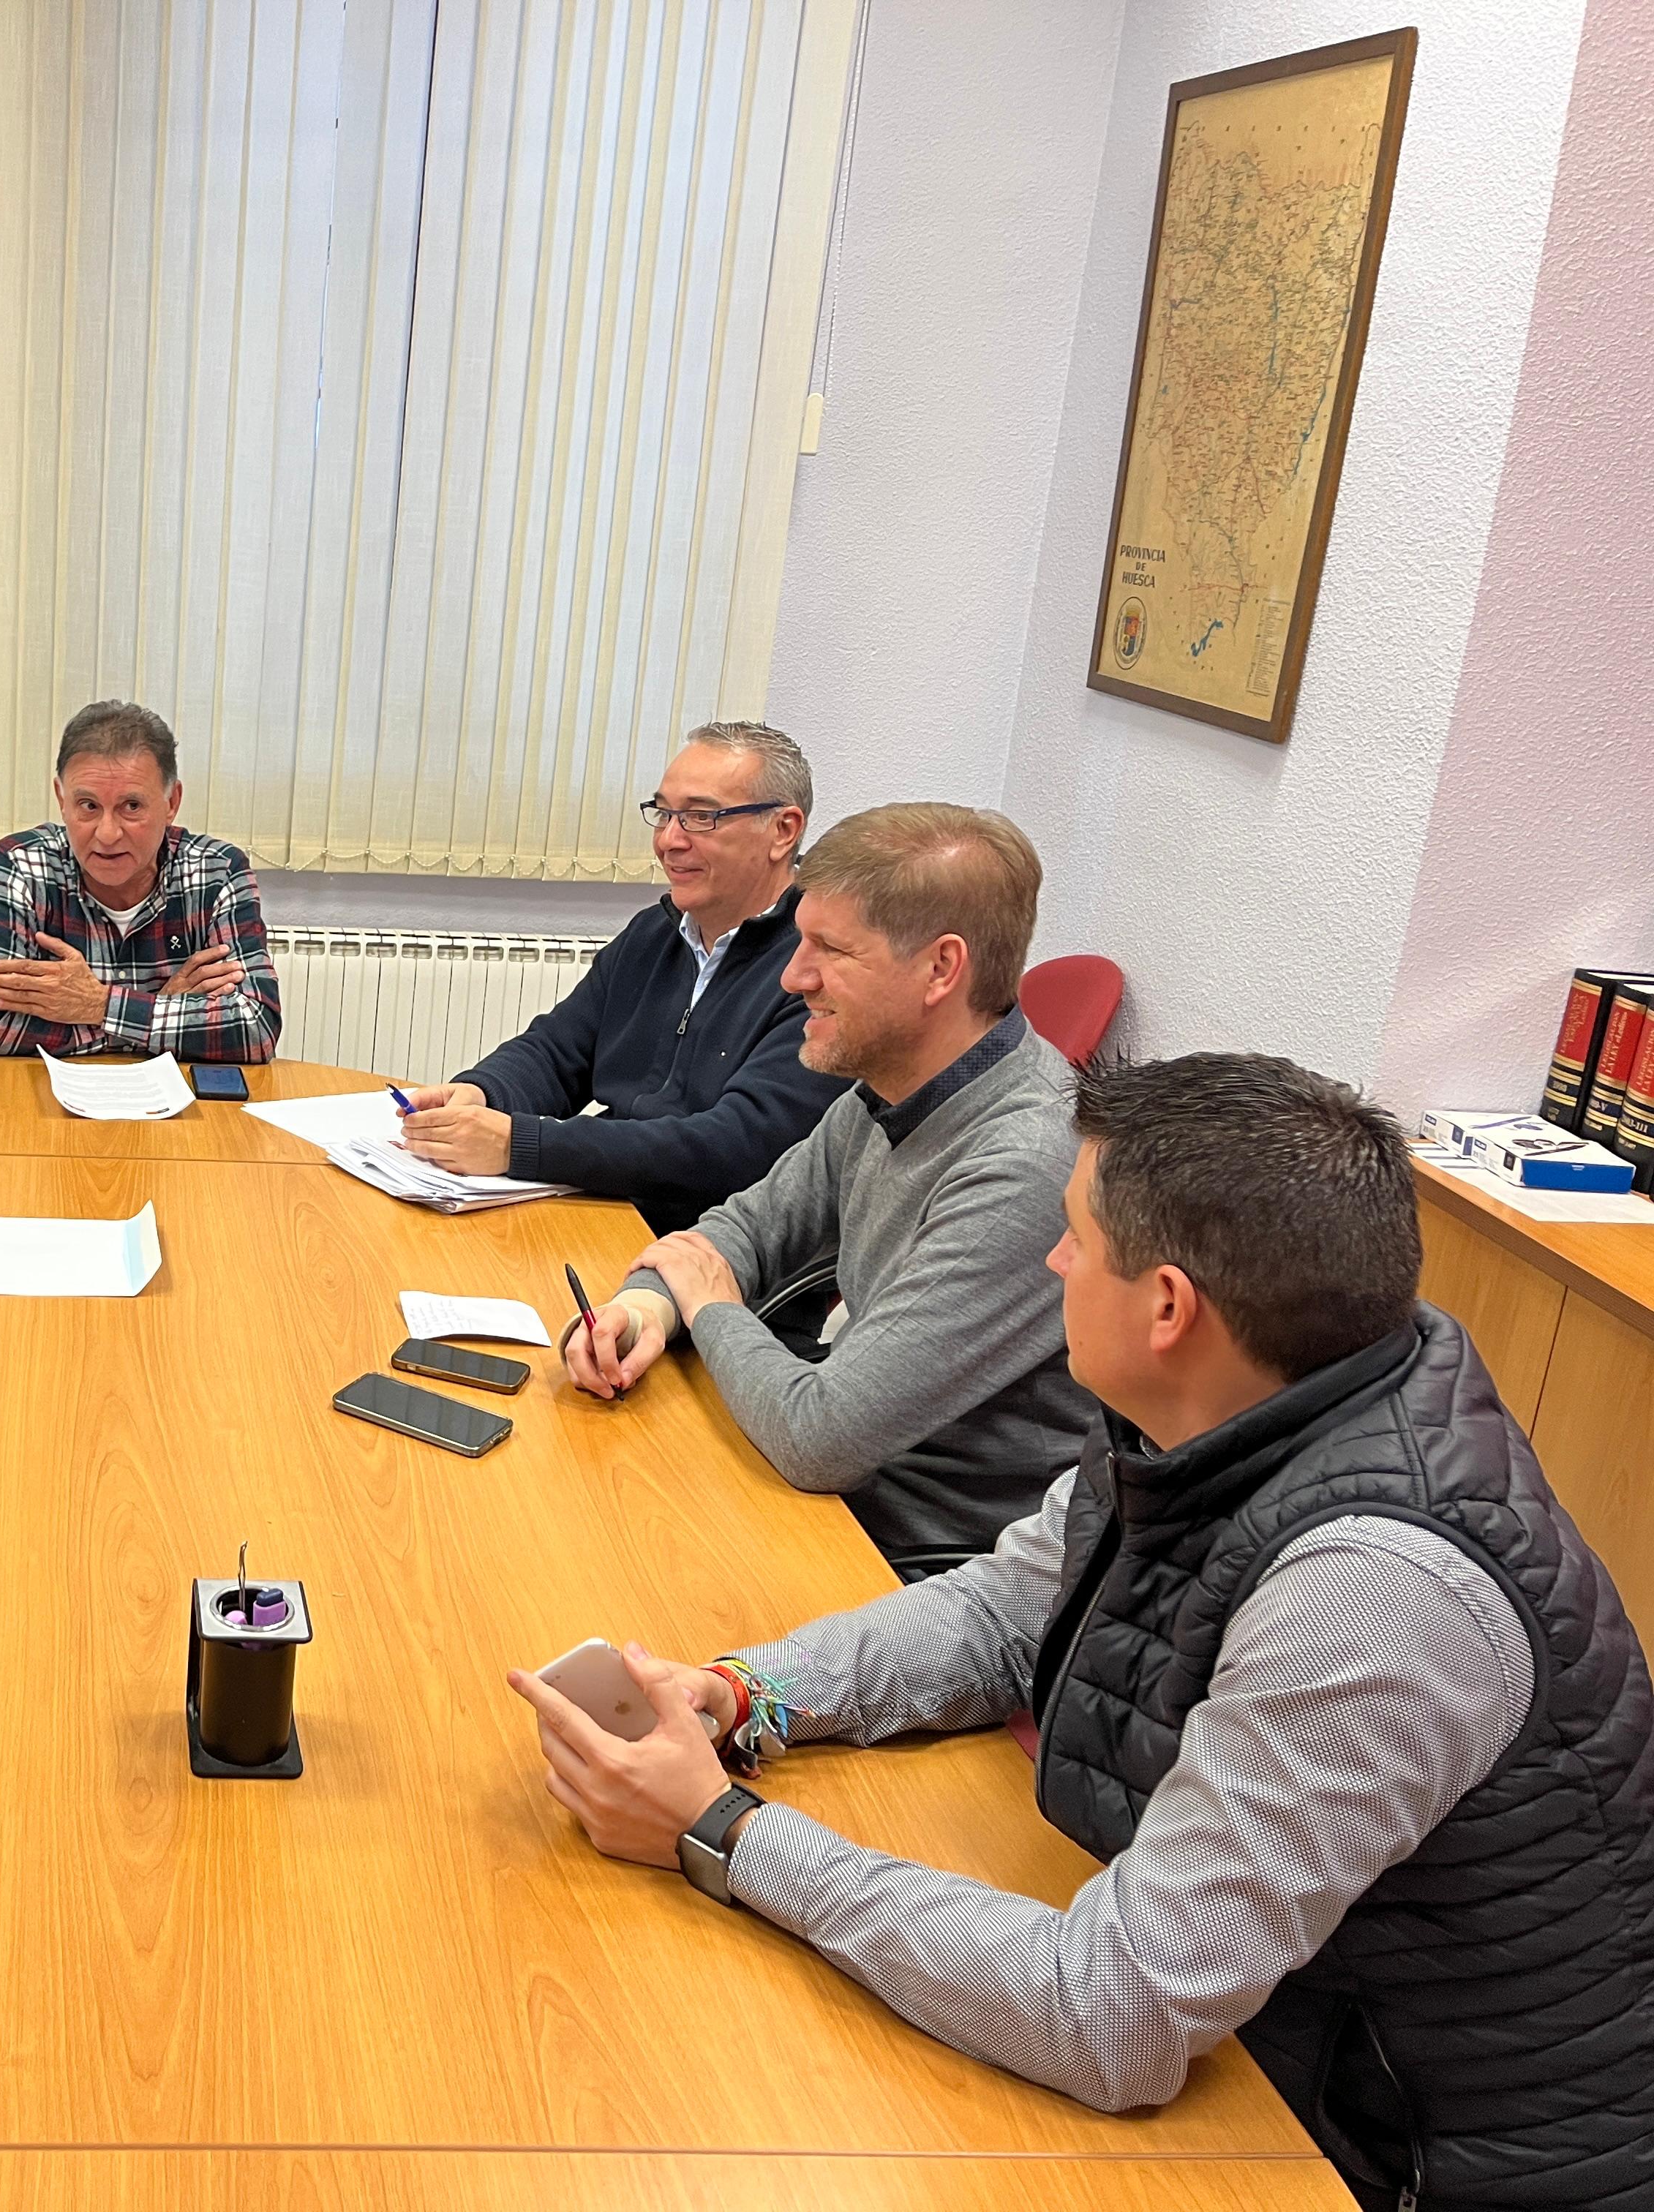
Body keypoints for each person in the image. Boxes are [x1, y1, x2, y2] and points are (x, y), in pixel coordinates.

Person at [511, 1056, 1654, 2210]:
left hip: (1391, 2162)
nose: (1052, 1260)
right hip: (1267, 2040)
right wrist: (746, 1694)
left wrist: (718, 1832)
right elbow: (1008, 1605)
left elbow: (1115, 2012)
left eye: (1073, 1236)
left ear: (1168, 1308)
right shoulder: (1245, 1397)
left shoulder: (1374, 1596)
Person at [564, 802, 1090, 1570]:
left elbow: (821, 1437)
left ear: (941, 969)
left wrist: (708, 1301)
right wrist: (644, 1308)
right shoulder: (892, 1087)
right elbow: (747, 1226)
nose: (792, 976)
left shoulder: (1024, 1163)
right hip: (843, 1495)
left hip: (929, 1559)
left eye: (832, 950)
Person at [398, 721, 845, 1230]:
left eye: (701, 817)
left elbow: (734, 1147)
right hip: (604, 1206)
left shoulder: (819, 966)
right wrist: (483, 1094)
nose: (669, 841)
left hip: (707, 1249)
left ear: (783, 831)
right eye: (664, 814)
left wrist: (517, 1145)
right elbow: (557, 1050)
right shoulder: (654, 933)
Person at [0, 699, 281, 1061]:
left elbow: (257, 1027)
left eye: (132, 806)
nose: (108, 833)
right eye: (88, 806)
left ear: (171, 802)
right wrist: (159, 1009)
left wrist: (97, 1004)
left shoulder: (218, 871)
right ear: (61, 799)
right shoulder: (20, 864)